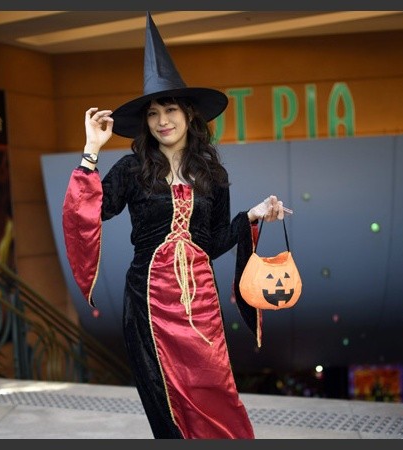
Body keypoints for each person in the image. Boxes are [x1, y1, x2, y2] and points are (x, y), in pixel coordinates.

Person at [61, 12, 290, 439]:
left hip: (201, 305)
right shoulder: (132, 169)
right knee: (165, 404)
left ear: (188, 115)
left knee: (217, 392)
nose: (162, 120)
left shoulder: (213, 176)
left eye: (170, 110)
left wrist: (253, 215)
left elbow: (213, 242)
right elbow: (88, 212)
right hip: (147, 305)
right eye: (153, 113)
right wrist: (91, 150)